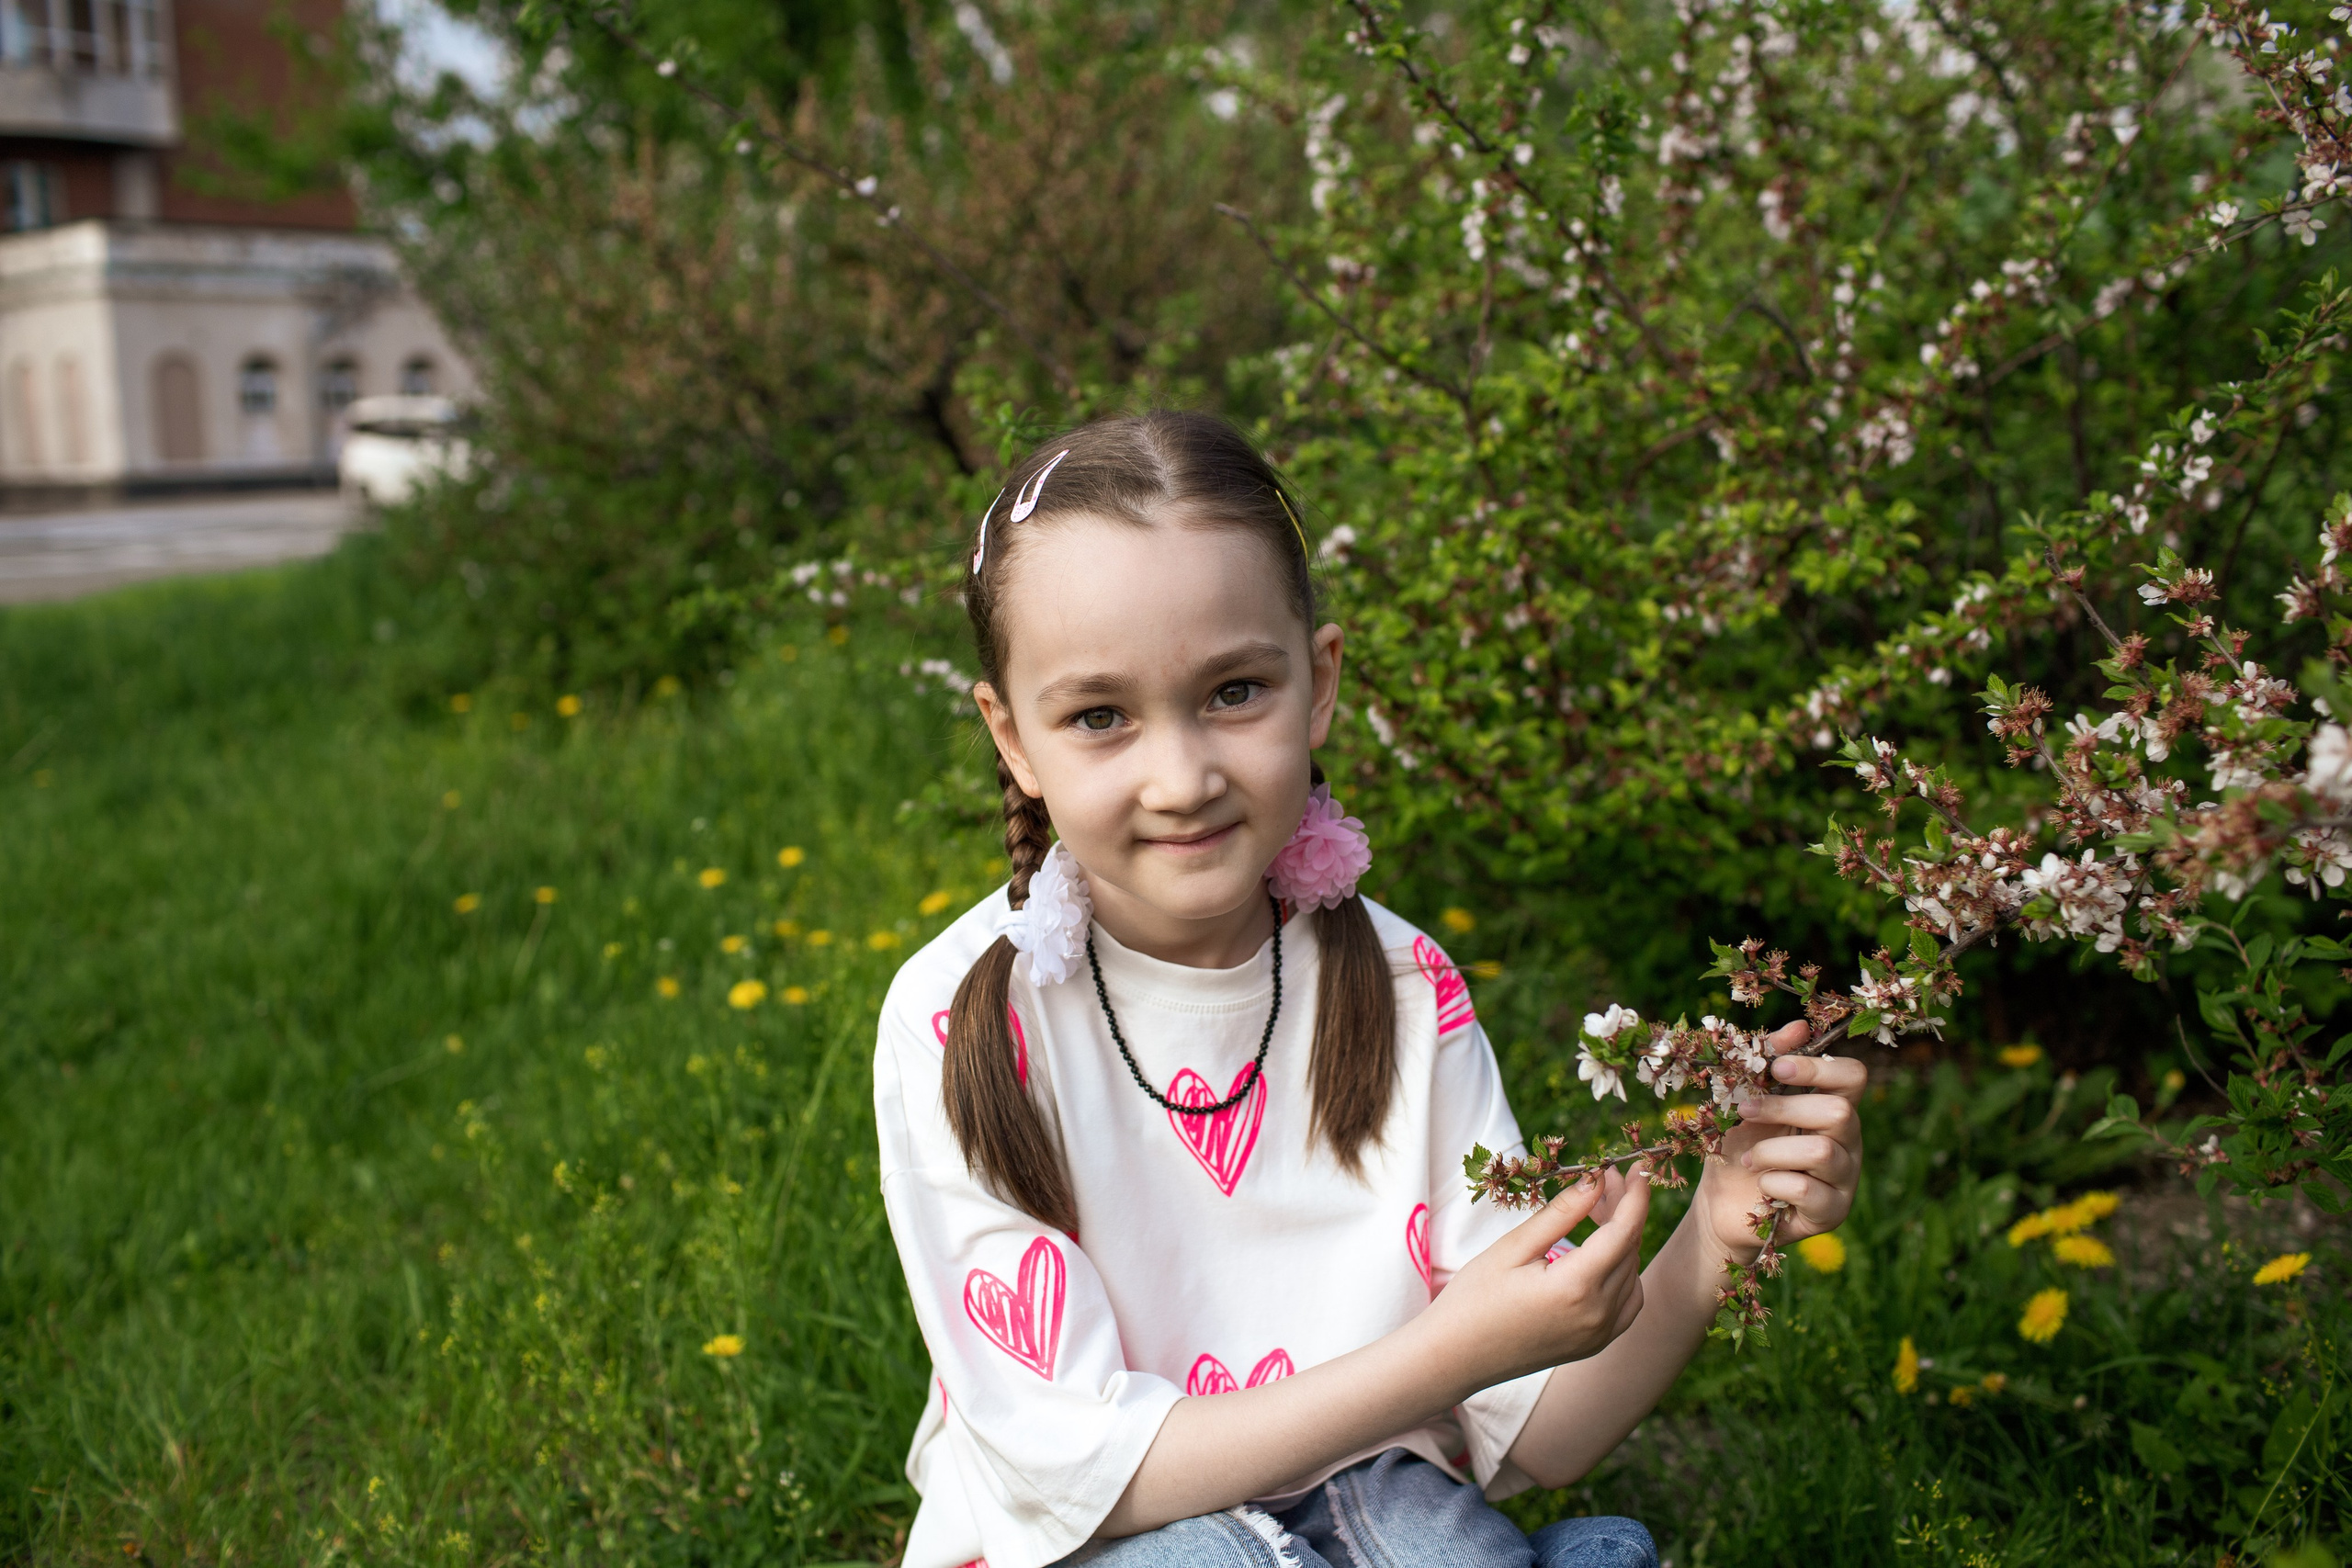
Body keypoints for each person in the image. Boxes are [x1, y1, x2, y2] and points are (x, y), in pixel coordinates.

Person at [873, 412, 1865, 1568]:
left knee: (1418, 1530)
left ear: (1320, 682)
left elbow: (1544, 1430)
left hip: (1376, 1511)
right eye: (1100, 717)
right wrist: (1442, 1358)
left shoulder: (1398, 986)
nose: (1181, 776)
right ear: (1014, 740)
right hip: (1110, 1546)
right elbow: (1092, 1479)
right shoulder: (961, 1020)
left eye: (1235, 692)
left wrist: (1707, 1240)